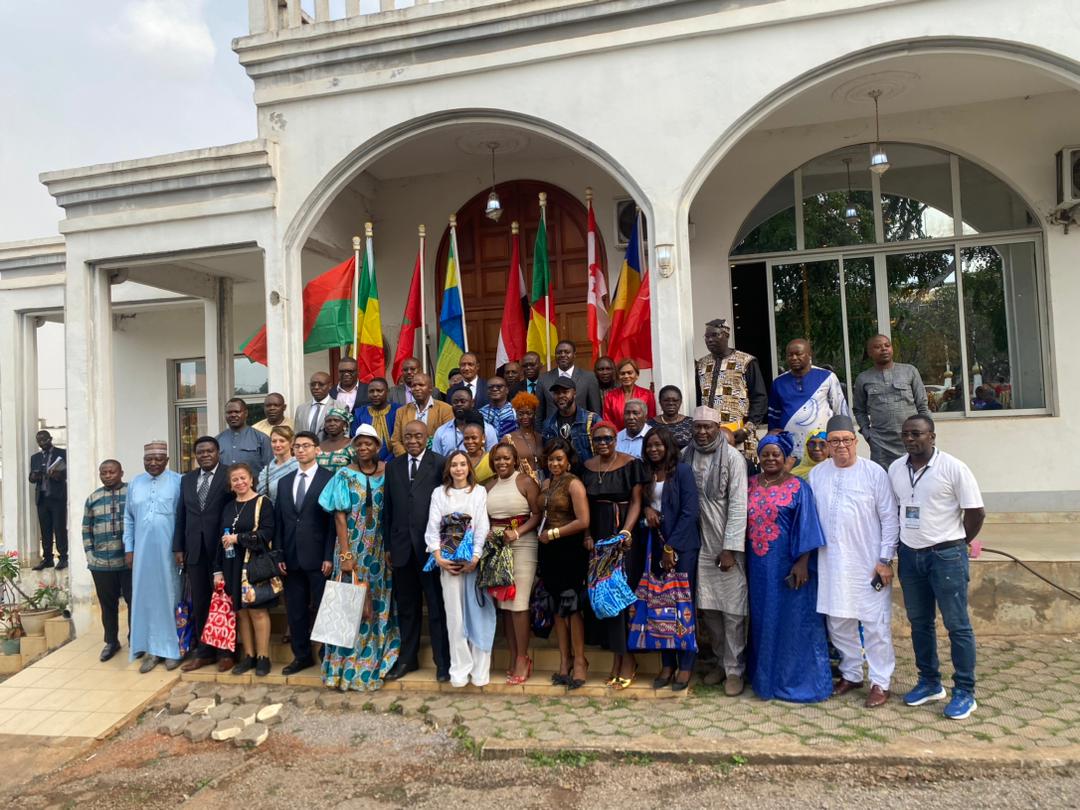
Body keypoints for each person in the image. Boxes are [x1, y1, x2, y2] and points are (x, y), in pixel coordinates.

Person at [888, 415, 985, 720]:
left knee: (957, 625)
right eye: (905, 434)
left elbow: (975, 512)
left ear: (932, 436)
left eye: (916, 434)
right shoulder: (895, 468)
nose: (910, 439)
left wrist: (957, 542)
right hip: (910, 556)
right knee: (919, 623)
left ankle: (965, 692)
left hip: (945, 557)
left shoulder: (953, 468)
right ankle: (930, 682)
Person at [809, 415, 900, 708]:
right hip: (832, 563)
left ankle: (880, 682)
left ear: (855, 442)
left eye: (846, 440)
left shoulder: (874, 473)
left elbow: (890, 519)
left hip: (869, 563)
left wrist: (885, 560)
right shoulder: (818, 474)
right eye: (833, 441)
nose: (840, 446)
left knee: (875, 625)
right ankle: (851, 673)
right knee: (838, 622)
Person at [745, 433, 832, 702]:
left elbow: (807, 526)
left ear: (785, 458)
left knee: (793, 622)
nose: (770, 459)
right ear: (758, 458)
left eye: (776, 454)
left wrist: (803, 562)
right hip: (757, 567)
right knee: (762, 620)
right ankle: (764, 679)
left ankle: (798, 680)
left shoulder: (798, 487)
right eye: (765, 454)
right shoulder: (749, 485)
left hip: (789, 565)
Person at [318, 425, 401, 690]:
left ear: (378, 446)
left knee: (377, 603)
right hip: (352, 548)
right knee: (348, 604)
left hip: (379, 548)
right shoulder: (343, 474)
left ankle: (374, 660)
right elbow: (339, 517)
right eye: (359, 445)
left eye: (369, 444)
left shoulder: (389, 472)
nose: (364, 449)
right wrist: (345, 554)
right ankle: (343, 667)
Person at [683, 406, 748, 695]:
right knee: (708, 607)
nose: (702, 432)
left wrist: (730, 548)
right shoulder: (687, 454)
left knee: (733, 609)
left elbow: (738, 505)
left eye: (708, 427)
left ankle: (735, 669)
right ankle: (721, 662)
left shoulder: (733, 458)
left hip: (724, 541)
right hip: (698, 541)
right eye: (698, 427)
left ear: (717, 427)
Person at [383, 422, 451, 682]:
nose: (413, 440)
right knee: (408, 608)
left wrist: (444, 546)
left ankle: (442, 663)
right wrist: (389, 545)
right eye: (408, 436)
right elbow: (388, 509)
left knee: (436, 608)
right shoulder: (394, 466)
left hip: (430, 551)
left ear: (427, 438)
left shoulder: (440, 463)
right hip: (401, 550)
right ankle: (407, 660)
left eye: (418, 436)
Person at [582, 421, 645, 689]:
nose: (603, 443)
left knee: (620, 596)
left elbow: (637, 501)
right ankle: (617, 658)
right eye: (598, 440)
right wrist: (587, 535)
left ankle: (627, 659)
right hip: (597, 537)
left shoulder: (631, 463)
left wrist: (625, 533)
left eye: (608, 438)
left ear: (615, 439)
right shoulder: (586, 467)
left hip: (622, 539)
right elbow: (583, 504)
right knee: (603, 597)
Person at [425, 451, 493, 687]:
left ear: (469, 468)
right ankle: (460, 669)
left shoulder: (479, 492)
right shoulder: (439, 493)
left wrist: (474, 557)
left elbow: (482, 525)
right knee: (455, 616)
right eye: (454, 464)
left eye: (463, 464)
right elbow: (432, 527)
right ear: (448, 469)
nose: (459, 468)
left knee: (477, 613)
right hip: (447, 561)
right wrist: (439, 558)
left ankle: (480, 671)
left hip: (472, 561)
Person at [642, 428, 701, 691]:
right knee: (659, 604)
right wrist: (646, 509)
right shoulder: (645, 473)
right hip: (655, 544)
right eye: (649, 446)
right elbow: (641, 500)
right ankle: (667, 664)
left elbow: (690, 512)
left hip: (683, 547)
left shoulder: (683, 472)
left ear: (667, 446)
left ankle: (686, 665)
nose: (653, 449)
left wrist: (672, 547)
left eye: (658, 445)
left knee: (682, 606)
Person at [274, 430, 335, 675]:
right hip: (290, 557)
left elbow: (333, 522)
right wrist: (278, 554)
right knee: (296, 611)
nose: (301, 450)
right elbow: (280, 521)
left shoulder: (329, 478)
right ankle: (301, 656)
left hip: (319, 557)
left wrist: (329, 555)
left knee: (323, 608)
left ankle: (327, 656)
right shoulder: (285, 481)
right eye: (297, 446)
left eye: (306, 446)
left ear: (317, 450)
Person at [175, 436, 235, 673]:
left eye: (210, 451)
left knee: (224, 600)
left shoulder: (229, 474)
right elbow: (181, 515)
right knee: (200, 602)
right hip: (195, 550)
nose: (205, 455)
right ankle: (204, 651)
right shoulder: (187, 479)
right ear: (195, 455)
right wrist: (178, 547)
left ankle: (227, 653)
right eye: (200, 452)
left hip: (223, 548)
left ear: (218, 452)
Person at [485, 443, 542, 684]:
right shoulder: (487, 486)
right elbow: (484, 517)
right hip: (498, 547)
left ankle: (523, 657)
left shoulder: (526, 482)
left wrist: (517, 534)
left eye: (506, 458)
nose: (502, 462)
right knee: (505, 603)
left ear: (515, 459)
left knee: (519, 603)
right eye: (497, 459)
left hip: (522, 544)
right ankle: (512, 654)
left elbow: (538, 514)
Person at [124, 440, 183, 673]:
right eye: (149, 459)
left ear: (167, 461)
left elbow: (183, 518)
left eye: (159, 459)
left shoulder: (178, 481)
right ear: (143, 461)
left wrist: (181, 549)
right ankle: (151, 649)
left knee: (171, 597)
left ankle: (173, 649)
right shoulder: (135, 484)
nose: (153, 463)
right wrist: (129, 548)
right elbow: (128, 518)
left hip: (169, 552)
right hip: (142, 553)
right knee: (146, 599)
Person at [212, 463, 276, 676]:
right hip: (231, 565)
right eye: (235, 480)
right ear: (230, 485)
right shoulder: (228, 507)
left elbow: (267, 534)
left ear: (251, 479)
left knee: (257, 610)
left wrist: (238, 538)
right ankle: (248, 655)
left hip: (253, 565)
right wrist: (217, 569)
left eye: (243, 478)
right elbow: (220, 540)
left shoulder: (262, 503)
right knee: (240, 612)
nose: (239, 483)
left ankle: (263, 657)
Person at [537, 438, 591, 688]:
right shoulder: (547, 483)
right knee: (556, 606)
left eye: (559, 458)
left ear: (568, 461)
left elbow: (583, 520)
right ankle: (564, 661)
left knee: (572, 608)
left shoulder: (574, 484)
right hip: (549, 551)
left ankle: (580, 662)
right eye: (550, 459)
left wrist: (555, 534)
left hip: (569, 549)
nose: (554, 463)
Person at [695, 318, 768, 464]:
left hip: (739, 434)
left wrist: (748, 429)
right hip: (709, 438)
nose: (709, 339)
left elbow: (760, 398)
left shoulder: (746, 361)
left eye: (715, 335)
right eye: (707, 336)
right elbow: (699, 399)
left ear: (726, 335)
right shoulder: (701, 365)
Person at [853, 334, 931, 469]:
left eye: (887, 345)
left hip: (912, 439)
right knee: (883, 484)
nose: (884, 349)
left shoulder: (909, 371)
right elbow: (859, 410)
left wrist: (927, 433)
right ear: (870, 353)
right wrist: (868, 435)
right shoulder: (863, 378)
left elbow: (922, 405)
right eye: (877, 347)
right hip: (880, 444)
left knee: (916, 480)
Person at [768, 339, 849, 464]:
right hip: (791, 452)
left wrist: (843, 443)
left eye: (798, 354)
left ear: (809, 355)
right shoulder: (778, 382)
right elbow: (774, 418)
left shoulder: (827, 377)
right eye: (790, 355)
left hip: (821, 449)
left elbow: (841, 412)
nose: (794, 358)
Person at [82, 459, 131, 662]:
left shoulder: (132, 493)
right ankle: (111, 641)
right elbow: (86, 529)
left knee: (133, 601)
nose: (108, 475)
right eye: (104, 473)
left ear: (121, 472)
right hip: (101, 564)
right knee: (107, 604)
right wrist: (90, 555)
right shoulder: (93, 498)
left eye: (112, 472)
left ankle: (135, 639)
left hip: (128, 562)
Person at [537, 340, 603, 424]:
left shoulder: (589, 378)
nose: (563, 355)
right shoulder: (543, 379)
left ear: (574, 355)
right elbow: (539, 414)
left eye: (567, 352)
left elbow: (595, 411)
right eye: (559, 352)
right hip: (553, 432)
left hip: (581, 431)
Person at [29, 429, 68, 570]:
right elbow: (31, 478)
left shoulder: (62, 453)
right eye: (39, 441)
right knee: (45, 529)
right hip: (42, 498)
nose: (42, 443)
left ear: (50, 439)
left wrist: (57, 474)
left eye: (44, 439)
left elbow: (67, 474)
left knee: (59, 527)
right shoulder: (35, 458)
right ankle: (47, 558)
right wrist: (35, 476)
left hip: (57, 497)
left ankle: (63, 557)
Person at [389, 373, 454, 456]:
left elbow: (448, 440)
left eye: (421, 385)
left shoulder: (446, 409)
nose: (417, 388)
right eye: (413, 386)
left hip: (435, 461)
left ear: (430, 389)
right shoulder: (401, 411)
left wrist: (432, 460)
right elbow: (395, 440)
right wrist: (408, 459)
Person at [541, 377, 597, 465]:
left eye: (565, 392)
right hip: (561, 475)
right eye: (557, 393)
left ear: (574, 393)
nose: (560, 396)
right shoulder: (548, 425)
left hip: (586, 475)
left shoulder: (591, 419)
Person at [432, 386, 498, 457]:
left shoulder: (487, 429)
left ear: (472, 403)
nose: (459, 404)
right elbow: (436, 461)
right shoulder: (441, 432)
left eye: (463, 401)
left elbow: (493, 457)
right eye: (455, 402)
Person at [217, 398, 272, 479]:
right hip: (224, 489)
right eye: (229, 412)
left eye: (237, 412)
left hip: (254, 489)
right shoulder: (217, 441)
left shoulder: (262, 439)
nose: (233, 415)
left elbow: (269, 470)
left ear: (246, 413)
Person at [353, 377, 399, 462]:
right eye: (371, 391)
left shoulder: (398, 411)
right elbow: (355, 440)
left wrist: (387, 462)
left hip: (394, 462)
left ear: (387, 392)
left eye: (379, 391)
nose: (375, 394)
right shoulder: (359, 413)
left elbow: (400, 440)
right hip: (365, 463)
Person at [603, 358, 656, 429]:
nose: (626, 376)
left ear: (637, 375)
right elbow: (608, 422)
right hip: (618, 437)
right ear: (618, 376)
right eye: (622, 373)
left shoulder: (647, 395)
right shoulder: (610, 396)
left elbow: (651, 419)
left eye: (629, 373)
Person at [504, 391, 544, 482]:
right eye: (521, 414)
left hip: (542, 483)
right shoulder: (508, 439)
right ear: (516, 415)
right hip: (520, 484)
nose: (525, 417)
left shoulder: (540, 438)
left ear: (535, 414)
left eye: (529, 413)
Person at [295, 371, 344, 440]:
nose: (316, 387)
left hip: (330, 449)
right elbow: (297, 435)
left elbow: (345, 435)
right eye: (313, 384)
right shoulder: (301, 409)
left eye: (321, 384)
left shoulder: (340, 407)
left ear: (330, 386)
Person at [257, 425, 299, 502]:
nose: (277, 445)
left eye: (282, 441)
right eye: (274, 441)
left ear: (291, 443)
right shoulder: (266, 471)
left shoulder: (299, 467)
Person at [650, 385, 694, 449]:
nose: (671, 403)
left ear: (680, 402)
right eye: (666, 400)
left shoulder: (691, 423)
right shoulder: (650, 424)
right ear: (660, 402)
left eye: (675, 400)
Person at [317, 406, 354, 472]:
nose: (332, 424)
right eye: (328, 421)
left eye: (336, 420)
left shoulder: (352, 445)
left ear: (345, 425)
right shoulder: (318, 446)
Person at [461, 417, 494, 483]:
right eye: (466, 438)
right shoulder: (460, 459)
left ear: (483, 437)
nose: (470, 442)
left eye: (474, 438)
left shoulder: (491, 459)